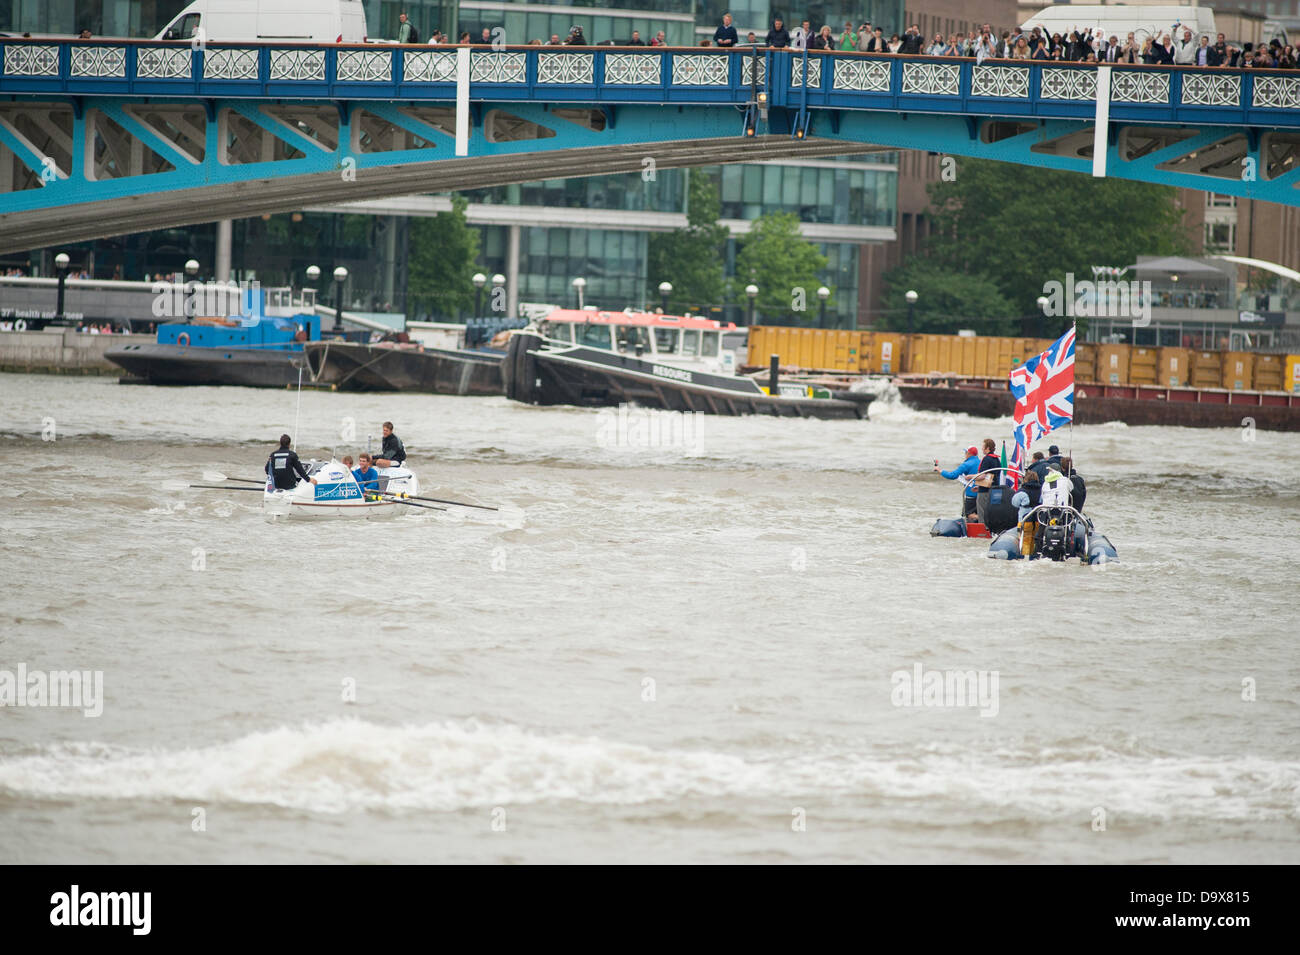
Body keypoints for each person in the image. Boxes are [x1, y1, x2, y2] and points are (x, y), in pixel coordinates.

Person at [936, 446, 981, 520]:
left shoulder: (966, 464)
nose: (965, 455)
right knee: (979, 513)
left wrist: (939, 470)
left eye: (965, 453)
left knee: (968, 515)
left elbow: (952, 475)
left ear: (969, 454)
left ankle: (984, 519)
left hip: (971, 495)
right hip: (983, 493)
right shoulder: (981, 462)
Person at [1011, 471, 1042, 557]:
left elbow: (1014, 503)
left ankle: (1024, 556)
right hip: (1037, 520)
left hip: (1025, 519)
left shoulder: (1022, 491)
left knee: (1025, 539)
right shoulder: (1041, 490)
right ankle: (1033, 556)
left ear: (1026, 479)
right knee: (1034, 540)